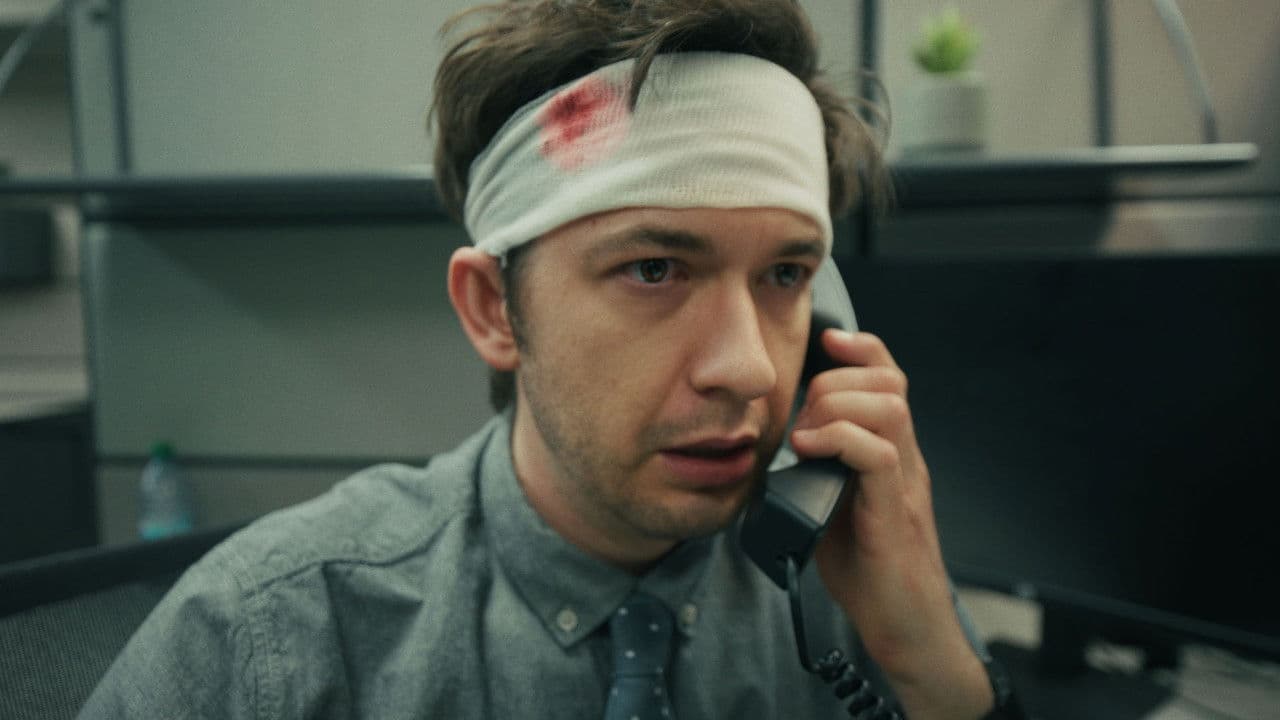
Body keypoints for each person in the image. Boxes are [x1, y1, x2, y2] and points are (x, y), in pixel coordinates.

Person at [81, 1, 1022, 718]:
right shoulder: (275, 636)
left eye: (785, 274)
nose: (750, 370)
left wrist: (934, 670)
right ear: (495, 308)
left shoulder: (853, 595)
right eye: (654, 269)